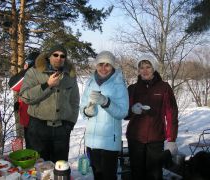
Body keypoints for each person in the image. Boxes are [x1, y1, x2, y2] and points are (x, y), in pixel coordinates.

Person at [19, 44, 80, 163]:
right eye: (55, 55)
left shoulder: (70, 75)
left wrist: (70, 124)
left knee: (60, 167)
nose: (59, 58)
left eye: (62, 56)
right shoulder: (34, 72)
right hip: (38, 129)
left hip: (62, 129)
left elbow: (75, 101)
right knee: (37, 167)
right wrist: (47, 85)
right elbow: (25, 96)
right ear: (49, 56)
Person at [125, 55, 178, 180]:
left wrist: (171, 139)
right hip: (135, 138)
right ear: (138, 70)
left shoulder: (164, 87)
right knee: (137, 173)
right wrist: (132, 110)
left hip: (155, 138)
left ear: (153, 68)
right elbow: (124, 113)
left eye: (148, 67)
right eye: (141, 67)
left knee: (154, 174)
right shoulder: (132, 88)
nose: (145, 70)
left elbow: (171, 113)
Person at [80, 51, 129, 180]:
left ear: (113, 66)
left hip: (109, 141)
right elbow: (82, 107)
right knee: (97, 175)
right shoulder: (90, 83)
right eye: (100, 64)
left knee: (108, 176)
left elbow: (123, 112)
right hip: (92, 140)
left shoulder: (119, 84)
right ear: (96, 65)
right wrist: (86, 111)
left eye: (107, 65)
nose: (103, 68)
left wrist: (106, 102)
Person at [8, 51, 40, 149]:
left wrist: (28, 69)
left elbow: (13, 84)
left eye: (26, 63)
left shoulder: (32, 73)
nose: (24, 66)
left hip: (33, 121)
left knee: (35, 152)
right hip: (30, 118)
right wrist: (20, 103)